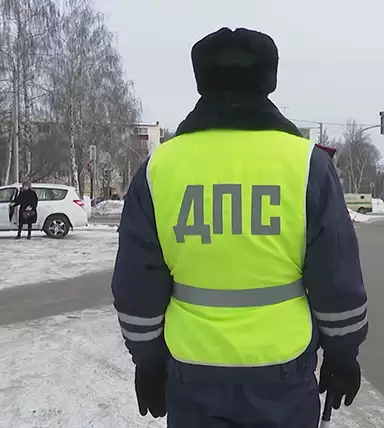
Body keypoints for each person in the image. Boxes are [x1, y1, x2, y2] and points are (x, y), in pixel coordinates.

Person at [111, 28, 368, 428]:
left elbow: (136, 282)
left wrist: (147, 362)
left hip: (191, 368)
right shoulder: (307, 165)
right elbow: (336, 274)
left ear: (200, 81)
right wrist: (342, 355)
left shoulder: (160, 168)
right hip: (282, 367)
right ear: (270, 80)